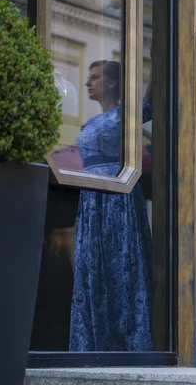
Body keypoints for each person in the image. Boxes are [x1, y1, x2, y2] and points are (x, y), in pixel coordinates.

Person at [69, 60, 153, 351]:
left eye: (95, 77)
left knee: (121, 267)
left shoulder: (126, 115)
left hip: (118, 191)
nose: (88, 82)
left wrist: (157, 64)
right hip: (91, 197)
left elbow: (152, 103)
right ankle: (93, 343)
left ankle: (128, 344)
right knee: (93, 268)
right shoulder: (90, 123)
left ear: (113, 82)